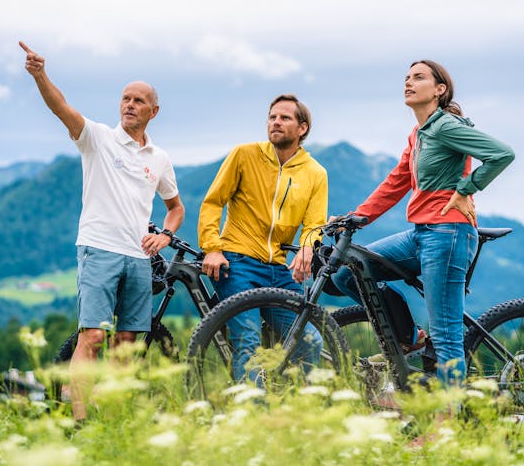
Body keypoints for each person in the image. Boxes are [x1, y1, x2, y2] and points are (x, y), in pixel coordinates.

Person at [19, 41, 184, 422]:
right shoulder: (97, 138)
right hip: (98, 249)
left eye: (138, 100)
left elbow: (175, 208)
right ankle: (79, 422)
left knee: (127, 345)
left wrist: (165, 236)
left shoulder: (159, 159)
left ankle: (111, 418)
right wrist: (41, 74)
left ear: (153, 111)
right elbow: (61, 108)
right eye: (125, 98)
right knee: (92, 337)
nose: (129, 104)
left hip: (139, 258)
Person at [333, 60, 514, 388]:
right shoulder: (419, 133)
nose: (408, 82)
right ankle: (410, 336)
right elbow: (396, 181)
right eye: (406, 77)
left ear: (439, 90)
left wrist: (465, 191)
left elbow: (502, 154)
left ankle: (446, 426)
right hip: (420, 233)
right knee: (350, 272)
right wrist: (355, 219)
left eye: (418, 77)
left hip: (448, 234)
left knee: (446, 337)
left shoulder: (446, 126)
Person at [198, 94, 328, 383]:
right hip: (236, 263)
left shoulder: (316, 173)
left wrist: (307, 249)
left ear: (302, 128)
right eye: (272, 117)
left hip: (278, 271)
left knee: (309, 341)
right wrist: (212, 248)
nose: (275, 123)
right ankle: (251, 419)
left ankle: (289, 406)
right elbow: (212, 203)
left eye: (284, 118)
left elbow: (314, 224)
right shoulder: (244, 155)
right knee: (249, 343)